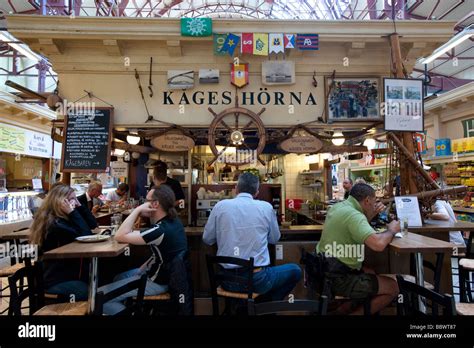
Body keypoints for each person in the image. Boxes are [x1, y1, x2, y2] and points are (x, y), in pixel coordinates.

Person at [203, 172, 301, 301]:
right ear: (256, 192)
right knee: (295, 271)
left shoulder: (220, 206)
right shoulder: (266, 208)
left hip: (227, 280)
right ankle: (265, 307)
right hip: (257, 280)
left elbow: (207, 239)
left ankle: (248, 308)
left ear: (236, 189)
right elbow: (274, 239)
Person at [99, 185, 188, 315]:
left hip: (158, 281)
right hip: (166, 275)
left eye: (146, 201)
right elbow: (164, 252)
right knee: (119, 277)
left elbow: (119, 236)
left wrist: (137, 210)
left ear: (155, 204)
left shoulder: (159, 230)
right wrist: (144, 267)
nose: (144, 203)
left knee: (99, 297)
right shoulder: (174, 222)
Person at [316, 183, 400, 315]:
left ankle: (342, 311)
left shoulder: (338, 207)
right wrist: (392, 230)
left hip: (324, 271)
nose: (374, 204)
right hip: (339, 278)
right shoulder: (354, 215)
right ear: (367, 200)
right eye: (373, 202)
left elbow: (357, 226)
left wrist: (371, 213)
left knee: (371, 272)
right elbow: (378, 245)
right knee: (393, 287)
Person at [29, 183, 92, 300]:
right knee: (90, 291)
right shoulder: (55, 223)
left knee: (99, 282)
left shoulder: (62, 219)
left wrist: (79, 207)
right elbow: (86, 237)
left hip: (65, 274)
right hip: (54, 280)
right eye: (72, 199)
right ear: (61, 202)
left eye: (75, 198)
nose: (75, 202)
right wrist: (73, 213)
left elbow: (92, 225)